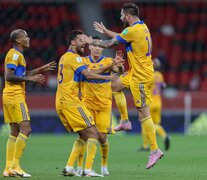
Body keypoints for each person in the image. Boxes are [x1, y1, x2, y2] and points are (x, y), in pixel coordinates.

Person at [83, 3, 164, 169]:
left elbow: (109, 44)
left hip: (141, 77)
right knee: (113, 85)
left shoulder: (131, 30)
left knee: (143, 114)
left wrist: (90, 41)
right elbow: (123, 36)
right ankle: (125, 120)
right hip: (135, 73)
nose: (121, 18)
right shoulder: (142, 27)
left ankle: (155, 150)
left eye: (122, 15)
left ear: (128, 16)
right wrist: (106, 32)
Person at [56, 30, 121, 177]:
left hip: (62, 101)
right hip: (72, 101)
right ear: (73, 42)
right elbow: (88, 74)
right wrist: (108, 78)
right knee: (93, 133)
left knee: (84, 136)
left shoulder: (64, 57)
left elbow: (86, 75)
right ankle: (87, 169)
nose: (83, 43)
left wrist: (113, 68)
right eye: (80, 40)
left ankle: (69, 167)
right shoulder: (77, 58)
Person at [2, 29, 56, 177]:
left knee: (14, 132)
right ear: (18, 40)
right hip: (15, 96)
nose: (28, 38)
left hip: (10, 96)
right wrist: (30, 80)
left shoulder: (18, 55)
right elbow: (9, 76)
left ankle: (8, 168)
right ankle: (15, 166)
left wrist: (40, 69)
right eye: (25, 36)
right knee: (26, 129)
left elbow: (21, 74)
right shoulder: (14, 54)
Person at [75, 36, 127, 176]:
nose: (97, 48)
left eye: (100, 46)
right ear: (90, 47)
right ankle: (81, 167)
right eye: (95, 45)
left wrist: (120, 65)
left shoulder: (109, 61)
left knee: (102, 137)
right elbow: (87, 75)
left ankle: (104, 165)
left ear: (102, 48)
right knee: (85, 136)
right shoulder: (83, 61)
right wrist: (109, 67)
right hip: (87, 104)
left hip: (104, 104)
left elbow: (120, 72)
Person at [139, 58, 170, 151]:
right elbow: (163, 86)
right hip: (158, 102)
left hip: (149, 102)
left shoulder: (149, 74)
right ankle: (164, 136)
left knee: (145, 123)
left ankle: (145, 146)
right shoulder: (160, 75)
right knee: (156, 123)